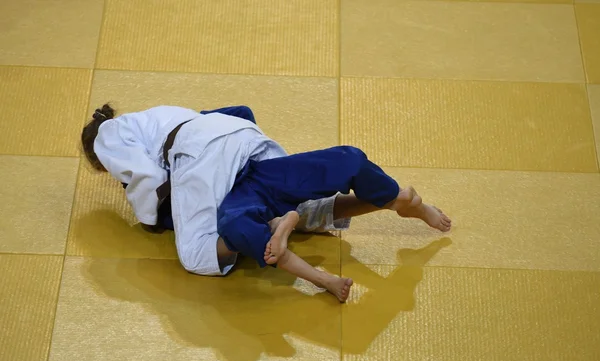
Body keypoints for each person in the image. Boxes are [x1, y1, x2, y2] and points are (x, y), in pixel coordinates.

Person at [82, 104, 451, 302]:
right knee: (343, 164)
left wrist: (149, 219)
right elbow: (240, 111)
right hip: (245, 143)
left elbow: (147, 177)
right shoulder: (161, 114)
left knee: (194, 254)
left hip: (203, 159)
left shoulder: (109, 136)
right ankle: (395, 199)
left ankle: (285, 241)